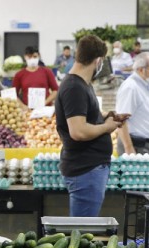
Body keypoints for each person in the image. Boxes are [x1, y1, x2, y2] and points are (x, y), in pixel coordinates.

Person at [55, 34, 125, 217]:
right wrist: (107, 127)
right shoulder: (74, 87)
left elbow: (84, 116)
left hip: (90, 168)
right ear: (99, 60)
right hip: (84, 169)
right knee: (82, 231)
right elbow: (78, 131)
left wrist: (106, 116)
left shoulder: (82, 84)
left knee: (84, 228)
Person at [115, 52, 149, 154]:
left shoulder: (143, 85)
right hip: (135, 146)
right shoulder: (131, 87)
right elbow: (120, 119)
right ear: (141, 69)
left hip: (146, 145)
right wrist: (128, 148)